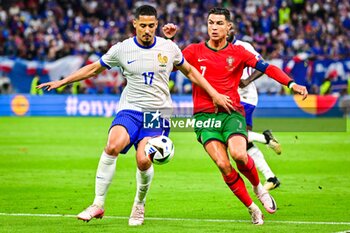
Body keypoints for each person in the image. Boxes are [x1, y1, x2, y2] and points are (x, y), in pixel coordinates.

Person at [37, 5, 233, 226]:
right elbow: (93, 69)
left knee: (142, 160)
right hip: (130, 109)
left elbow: (191, 72)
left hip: (157, 114)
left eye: (151, 26)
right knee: (112, 145)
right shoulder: (122, 49)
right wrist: (63, 81)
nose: (147, 30)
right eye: (143, 26)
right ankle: (98, 204)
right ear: (135, 25)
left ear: (156, 25)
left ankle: (139, 204)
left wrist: (214, 94)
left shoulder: (169, 48)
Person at [162, 7, 307, 225]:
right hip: (204, 118)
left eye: (219, 23)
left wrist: (291, 83)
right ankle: (252, 207)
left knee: (239, 154)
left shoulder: (238, 52)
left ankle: (259, 188)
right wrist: (168, 41)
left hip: (231, 113)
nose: (214, 27)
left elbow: (267, 68)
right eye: (211, 22)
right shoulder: (193, 51)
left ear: (229, 27)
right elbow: (166, 65)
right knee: (223, 164)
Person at [232, 36, 282, 191]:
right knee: (244, 143)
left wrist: (247, 80)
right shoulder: (218, 48)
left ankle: (266, 138)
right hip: (233, 97)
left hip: (245, 97)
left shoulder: (243, 46)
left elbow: (263, 66)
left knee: (234, 134)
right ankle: (271, 178)